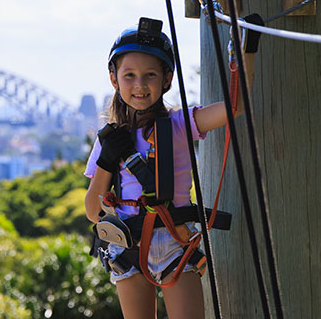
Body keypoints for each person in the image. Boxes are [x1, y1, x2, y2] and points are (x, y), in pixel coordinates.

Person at [84, 17, 258, 319]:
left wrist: (247, 51)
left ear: (166, 79)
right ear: (114, 79)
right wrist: (106, 160)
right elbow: (92, 210)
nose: (139, 85)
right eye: (130, 76)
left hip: (176, 245)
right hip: (129, 248)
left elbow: (234, 107)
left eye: (149, 75)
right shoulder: (109, 140)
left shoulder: (179, 124)